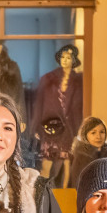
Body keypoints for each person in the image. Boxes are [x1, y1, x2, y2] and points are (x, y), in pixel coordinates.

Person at [30, 45, 84, 184]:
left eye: (68, 58)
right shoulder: (48, 79)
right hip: (51, 126)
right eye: (62, 57)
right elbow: (39, 104)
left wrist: (79, 130)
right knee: (46, 164)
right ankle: (42, 195)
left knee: (66, 164)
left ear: (73, 60)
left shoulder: (79, 80)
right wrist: (36, 126)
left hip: (69, 128)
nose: (65, 60)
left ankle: (62, 195)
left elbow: (80, 107)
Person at [68, 116, 107, 190]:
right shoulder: (82, 156)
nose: (98, 136)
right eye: (93, 133)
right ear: (85, 135)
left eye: (102, 132)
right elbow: (78, 186)